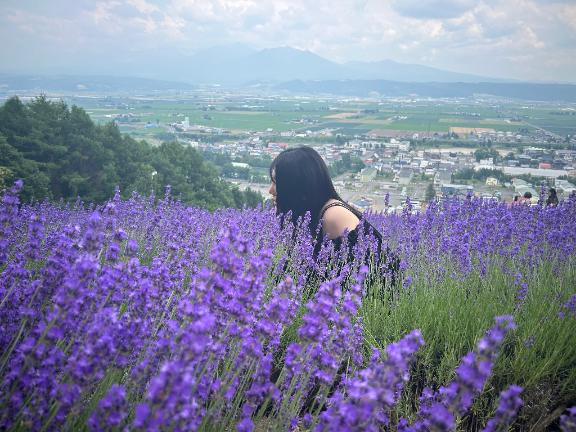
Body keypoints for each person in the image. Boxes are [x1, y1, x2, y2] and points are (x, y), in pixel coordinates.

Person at [268, 146, 399, 293]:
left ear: (296, 186)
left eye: (276, 183)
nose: (270, 190)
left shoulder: (333, 215)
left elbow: (352, 282)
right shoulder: (312, 215)